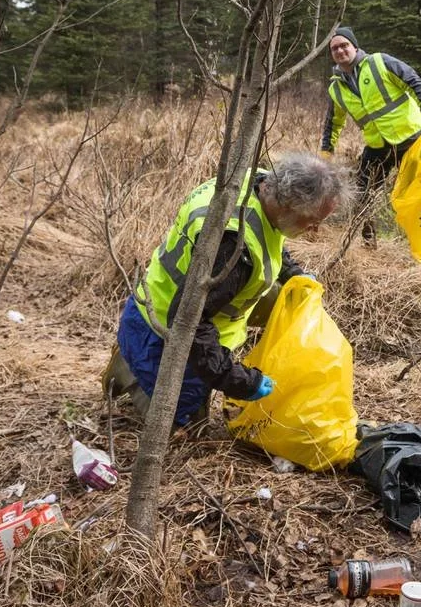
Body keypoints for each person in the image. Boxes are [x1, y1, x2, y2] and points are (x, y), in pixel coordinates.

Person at [101, 153, 344, 426]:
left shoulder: (256, 181)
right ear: (287, 205)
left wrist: (295, 275)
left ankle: (137, 359)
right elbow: (191, 323)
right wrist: (240, 381)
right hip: (161, 325)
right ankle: (129, 370)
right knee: (186, 423)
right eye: (311, 220)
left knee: (287, 299)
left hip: (176, 296)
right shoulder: (233, 250)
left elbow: (269, 236)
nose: (315, 230)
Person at [319, 26, 421, 244]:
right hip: (377, 146)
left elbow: (413, 80)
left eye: (344, 45)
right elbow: (333, 124)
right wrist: (326, 154)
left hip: (410, 139)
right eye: (334, 48)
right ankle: (369, 245)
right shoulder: (336, 88)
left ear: (355, 46)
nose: (340, 51)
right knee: (361, 195)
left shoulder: (379, 62)